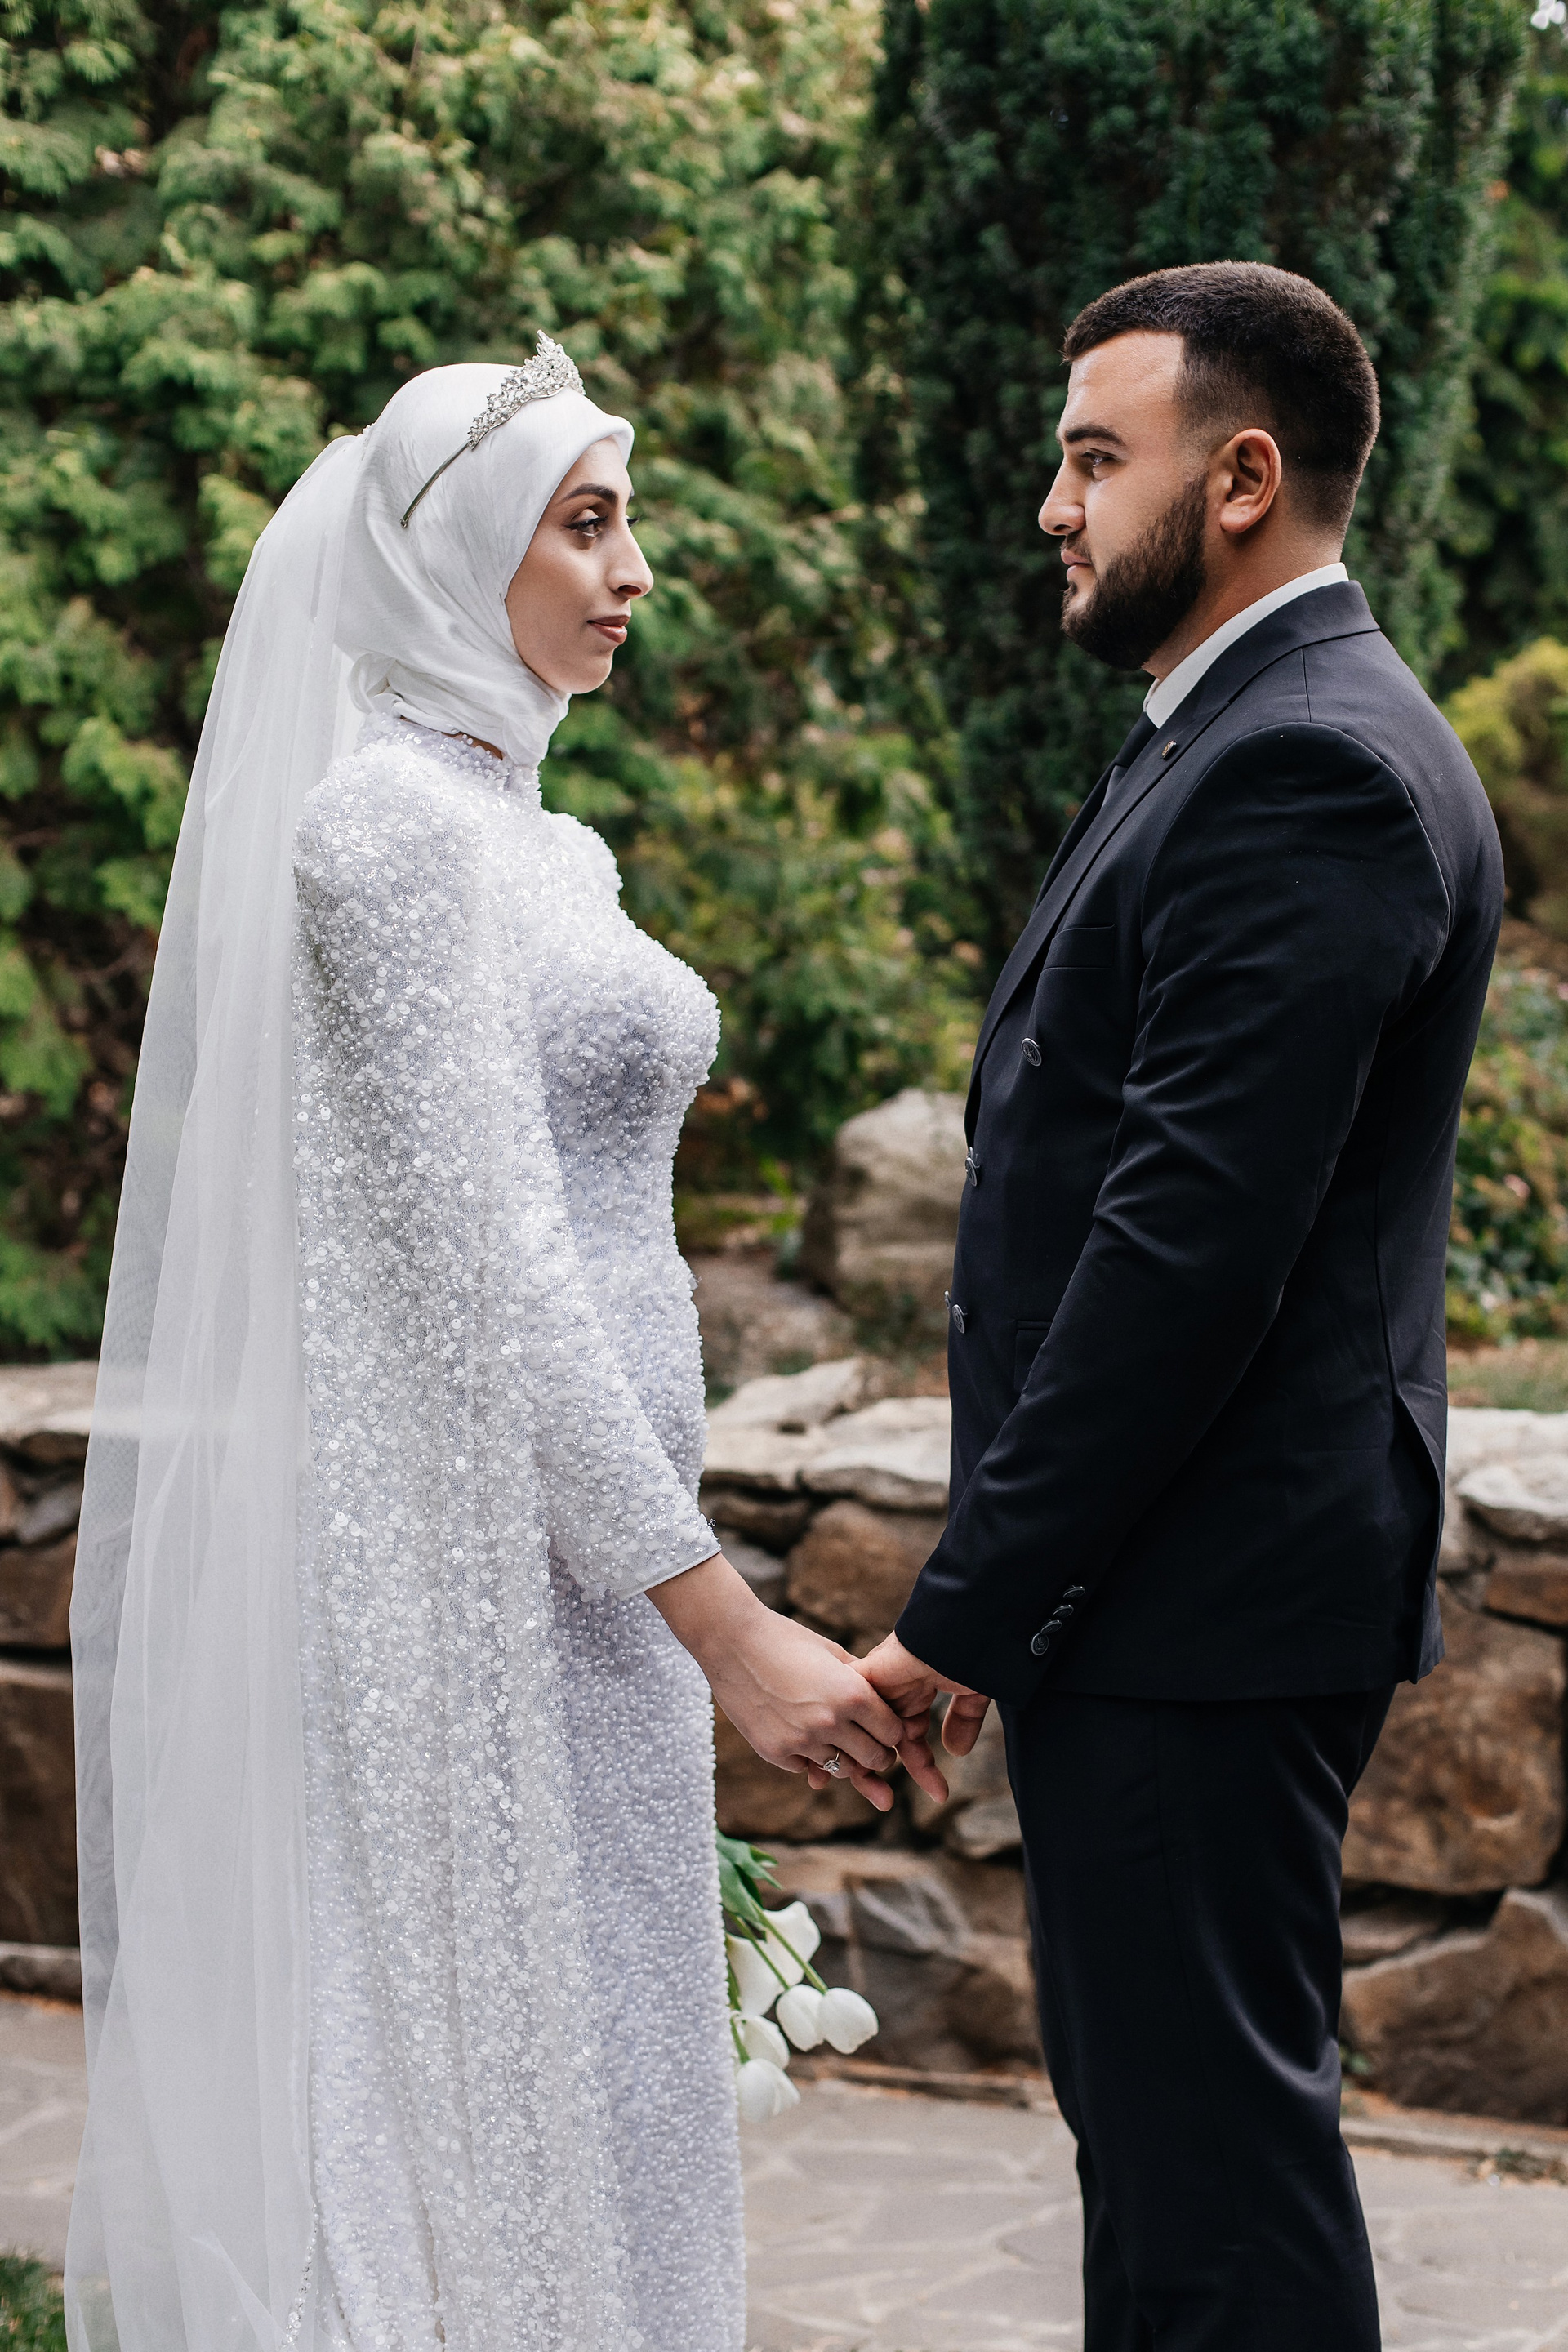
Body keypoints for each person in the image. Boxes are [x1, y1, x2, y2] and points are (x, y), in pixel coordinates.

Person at [65, 341, 912, 2352]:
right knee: (486, 2104)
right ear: (458, 551)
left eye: (629, 523)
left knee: (615, 2095)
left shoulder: (549, 845)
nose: (635, 571)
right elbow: (493, 1267)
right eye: (586, 523)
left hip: (599, 1580)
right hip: (487, 1579)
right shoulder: (381, 830)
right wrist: (724, 1618)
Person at [858, 263, 1503, 2349]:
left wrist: (966, 1608)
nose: (1053, 506)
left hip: (1199, 1597)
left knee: (1217, 2201)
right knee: (1162, 2167)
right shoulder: (1231, 728)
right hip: (1171, 1593)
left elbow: (1186, 1255)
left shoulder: (1306, 764)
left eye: (1091, 458)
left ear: (1239, 478)